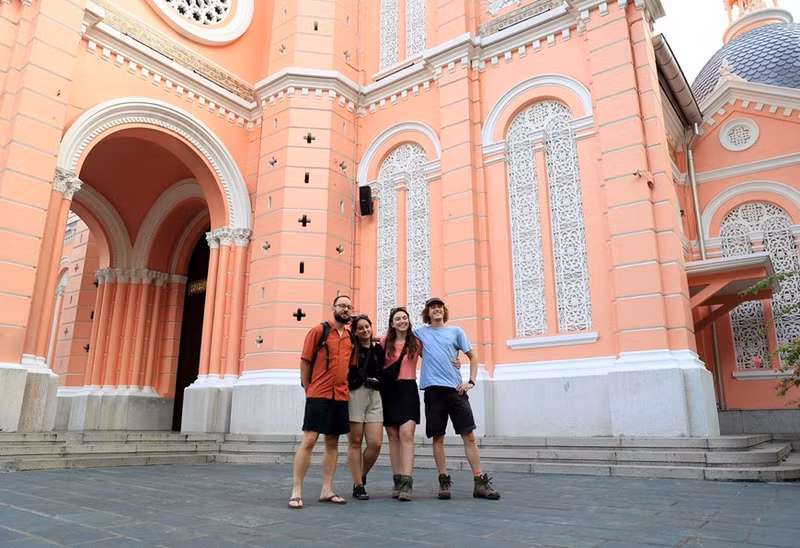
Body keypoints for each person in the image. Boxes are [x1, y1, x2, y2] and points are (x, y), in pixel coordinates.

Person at [414, 297, 500, 500]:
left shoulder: (456, 331)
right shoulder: (420, 333)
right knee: (438, 437)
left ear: (444, 311)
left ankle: (479, 482)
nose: (437, 310)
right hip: (433, 391)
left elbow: (473, 357)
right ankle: (443, 481)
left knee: (469, 435)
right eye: (433, 307)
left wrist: (471, 380)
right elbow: (395, 337)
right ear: (428, 313)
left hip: (456, 390)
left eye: (439, 307)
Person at [288, 295, 357, 509]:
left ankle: (327, 489)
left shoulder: (350, 338)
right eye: (341, 305)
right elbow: (305, 360)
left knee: (333, 442)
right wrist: (308, 387)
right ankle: (296, 490)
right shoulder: (319, 331)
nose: (345, 309)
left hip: (340, 396)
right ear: (333, 308)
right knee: (309, 440)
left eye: (348, 306)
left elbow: (351, 366)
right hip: (318, 394)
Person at [379, 307, 422, 501]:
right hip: (389, 391)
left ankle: (407, 482)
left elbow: (435, 356)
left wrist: (454, 362)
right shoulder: (384, 342)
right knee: (393, 436)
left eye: (405, 318)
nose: (402, 321)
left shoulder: (417, 343)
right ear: (392, 323)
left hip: (408, 389)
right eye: (398, 319)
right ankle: (397, 481)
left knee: (407, 434)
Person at [347, 314, 384, 500]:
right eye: (360, 328)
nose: (365, 330)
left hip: (375, 395)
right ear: (355, 331)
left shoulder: (378, 349)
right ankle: (358, 485)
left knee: (375, 443)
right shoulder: (351, 348)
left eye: (367, 327)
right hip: (355, 394)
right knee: (355, 441)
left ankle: (360, 475)